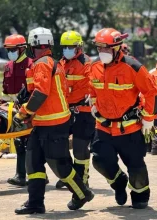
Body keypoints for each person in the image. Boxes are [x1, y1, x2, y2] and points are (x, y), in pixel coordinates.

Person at [14, 27, 94, 214]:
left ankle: (82, 192)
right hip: (42, 123)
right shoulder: (53, 63)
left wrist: (23, 113)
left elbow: (41, 93)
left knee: (60, 165)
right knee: (33, 163)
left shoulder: (43, 63)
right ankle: (35, 203)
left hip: (54, 124)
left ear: (32, 45)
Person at [89, 28, 157, 209]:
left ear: (117, 47)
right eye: (99, 48)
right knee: (99, 160)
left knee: (136, 167)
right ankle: (119, 183)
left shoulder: (133, 66)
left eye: (106, 48)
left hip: (130, 129)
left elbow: (152, 92)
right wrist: (94, 104)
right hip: (103, 128)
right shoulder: (95, 67)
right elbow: (93, 89)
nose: (102, 52)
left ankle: (140, 195)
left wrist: (148, 119)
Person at [55, 30, 94, 189]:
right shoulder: (62, 63)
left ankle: (82, 178)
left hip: (83, 112)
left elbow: (91, 86)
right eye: (65, 46)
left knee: (79, 148)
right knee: (60, 145)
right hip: (65, 111)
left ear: (79, 47)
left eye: (71, 46)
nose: (67, 49)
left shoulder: (87, 64)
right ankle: (69, 176)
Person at [1, 34, 33, 187]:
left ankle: (25, 175)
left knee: (28, 143)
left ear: (21, 49)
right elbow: (6, 91)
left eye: (12, 49)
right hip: (12, 110)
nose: (10, 52)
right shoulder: (8, 66)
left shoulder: (31, 65)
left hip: (28, 110)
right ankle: (22, 175)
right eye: (8, 49)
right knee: (19, 142)